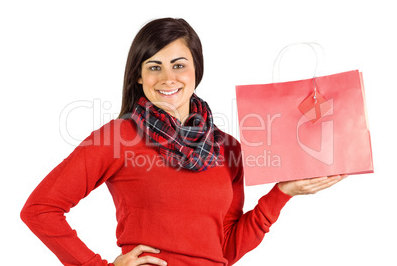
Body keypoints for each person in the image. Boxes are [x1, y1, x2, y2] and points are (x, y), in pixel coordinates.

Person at [20, 18, 346, 266]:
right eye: (154, 67)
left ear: (196, 70)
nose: (167, 79)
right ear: (138, 75)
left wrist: (282, 192)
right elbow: (40, 210)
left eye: (178, 65)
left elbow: (226, 249)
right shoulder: (118, 137)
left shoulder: (228, 147)